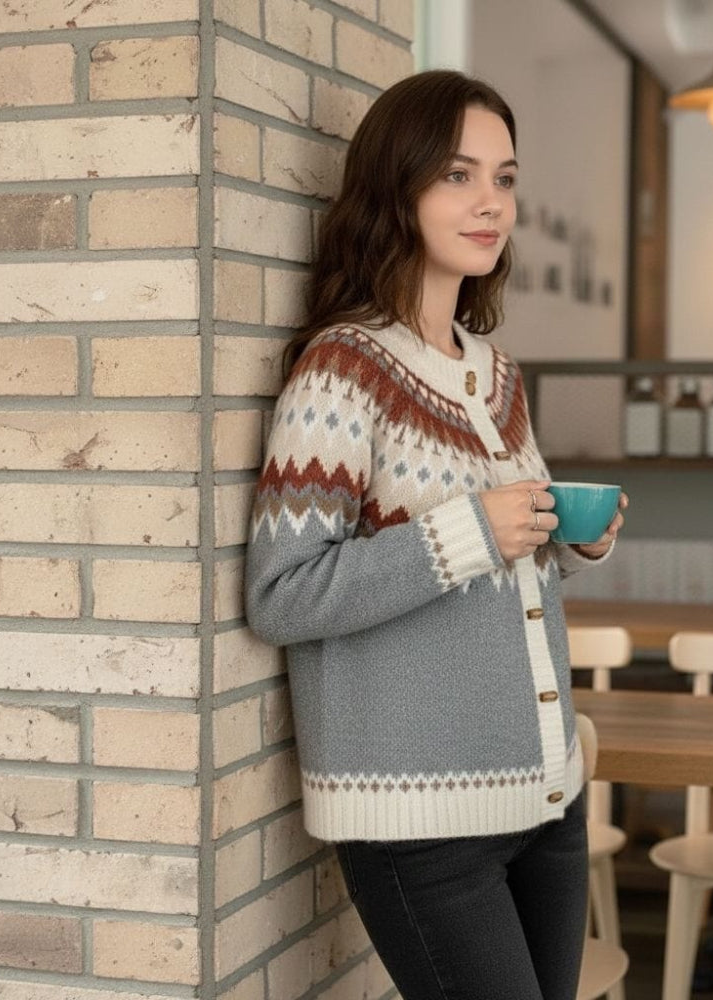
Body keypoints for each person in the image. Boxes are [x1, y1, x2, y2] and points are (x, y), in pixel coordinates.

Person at [244, 69, 628, 1000]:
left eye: (504, 177)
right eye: (459, 176)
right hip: (424, 820)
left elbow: (507, 580)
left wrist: (568, 542)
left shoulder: (497, 376)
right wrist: (468, 532)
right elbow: (284, 592)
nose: (489, 203)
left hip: (548, 795)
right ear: (398, 185)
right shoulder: (343, 370)